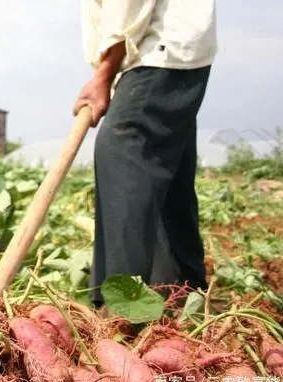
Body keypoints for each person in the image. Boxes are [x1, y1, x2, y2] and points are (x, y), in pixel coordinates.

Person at [73, 0, 218, 307]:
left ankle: (121, 308)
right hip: (169, 50)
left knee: (122, 148)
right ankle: (182, 290)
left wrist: (105, 72)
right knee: (165, 169)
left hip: (159, 48)